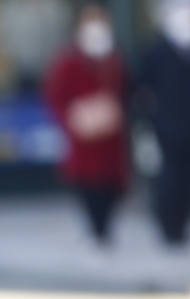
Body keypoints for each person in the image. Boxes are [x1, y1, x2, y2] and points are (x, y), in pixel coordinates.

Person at [44, 4, 132, 248]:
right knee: (89, 189)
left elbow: (127, 93)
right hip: (83, 144)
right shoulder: (68, 61)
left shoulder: (114, 59)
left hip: (111, 143)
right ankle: (97, 233)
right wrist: (75, 117)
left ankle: (105, 232)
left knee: (111, 190)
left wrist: (114, 110)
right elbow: (56, 98)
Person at [136, 0, 190, 247]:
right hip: (167, 128)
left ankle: (183, 226)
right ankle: (169, 228)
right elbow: (142, 90)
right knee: (170, 179)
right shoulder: (156, 52)